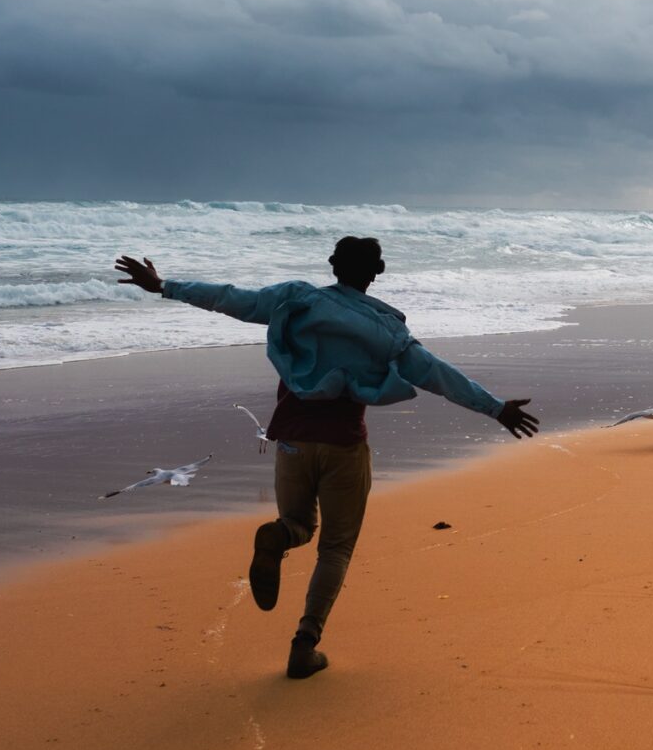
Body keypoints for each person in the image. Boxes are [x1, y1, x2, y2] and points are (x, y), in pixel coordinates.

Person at [114, 237, 538, 679]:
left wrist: (165, 286)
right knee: (335, 548)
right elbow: (438, 375)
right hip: (344, 447)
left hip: (292, 441)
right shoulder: (390, 332)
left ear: (332, 265)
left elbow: (231, 299)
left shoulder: (297, 299)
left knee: (298, 525)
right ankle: (305, 644)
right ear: (378, 272)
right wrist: (496, 408)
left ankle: (279, 537)